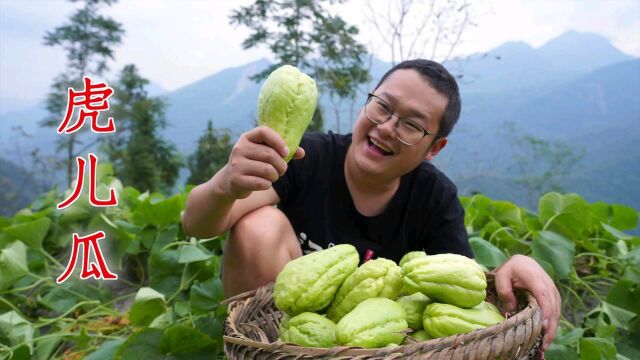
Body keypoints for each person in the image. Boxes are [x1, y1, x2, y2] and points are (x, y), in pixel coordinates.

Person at [181, 59, 561, 354]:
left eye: (411, 125)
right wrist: (225, 184)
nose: (386, 127)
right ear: (368, 103)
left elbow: (463, 287)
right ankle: (259, 351)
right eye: (382, 107)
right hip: (288, 333)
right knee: (257, 223)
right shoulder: (305, 156)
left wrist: (516, 264)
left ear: (434, 148)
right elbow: (196, 223)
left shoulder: (433, 197)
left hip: (378, 349)